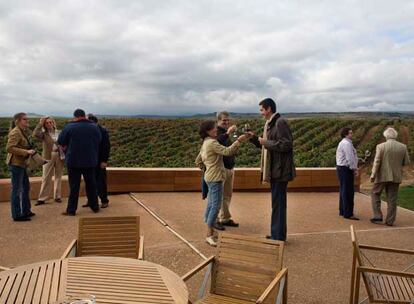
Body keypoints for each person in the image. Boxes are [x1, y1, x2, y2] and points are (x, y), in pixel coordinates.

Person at [195, 120, 250, 246]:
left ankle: (210, 228)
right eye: (214, 128)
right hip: (216, 178)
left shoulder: (205, 143)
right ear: (208, 131)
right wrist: (239, 141)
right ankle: (209, 234)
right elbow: (228, 151)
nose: (216, 130)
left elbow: (198, 160)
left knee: (211, 203)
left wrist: (207, 168)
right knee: (216, 205)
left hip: (209, 177)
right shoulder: (213, 143)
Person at [249, 98, 296, 241]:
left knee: (279, 205)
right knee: (277, 204)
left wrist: (265, 142)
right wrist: (254, 139)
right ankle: (277, 234)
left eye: (262, 110)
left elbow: (286, 144)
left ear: (269, 109)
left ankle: (278, 236)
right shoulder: (270, 124)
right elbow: (268, 145)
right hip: (275, 169)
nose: (261, 113)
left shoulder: (280, 122)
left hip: (280, 170)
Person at [58, 109, 101, 215]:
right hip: (90, 161)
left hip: (73, 161)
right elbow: (99, 140)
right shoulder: (94, 127)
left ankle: (71, 210)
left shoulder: (69, 127)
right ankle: (95, 207)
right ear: (84, 116)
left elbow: (61, 141)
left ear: (75, 117)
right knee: (91, 185)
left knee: (74, 186)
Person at [370, 127, 410, 226]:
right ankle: (390, 221)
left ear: (386, 136)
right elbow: (406, 162)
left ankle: (377, 216)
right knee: (392, 199)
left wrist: (373, 174)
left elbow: (377, 161)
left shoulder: (381, 146)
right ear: (395, 136)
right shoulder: (403, 147)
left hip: (382, 176)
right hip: (396, 176)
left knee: (375, 193)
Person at [6, 113, 36, 221]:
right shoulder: (15, 132)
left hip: (21, 164)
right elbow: (9, 148)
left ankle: (26, 211)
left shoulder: (22, 131)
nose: (27, 121)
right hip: (16, 164)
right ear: (18, 120)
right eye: (24, 119)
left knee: (25, 187)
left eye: (27, 119)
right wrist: (26, 151)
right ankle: (17, 215)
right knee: (17, 190)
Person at [33, 116, 64, 205]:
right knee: (46, 177)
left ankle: (57, 196)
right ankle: (42, 198)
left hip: (59, 155)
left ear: (53, 123)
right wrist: (40, 123)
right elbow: (34, 134)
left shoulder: (60, 132)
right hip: (47, 156)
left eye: (51, 122)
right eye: (47, 123)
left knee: (58, 176)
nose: (49, 124)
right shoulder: (43, 134)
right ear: (44, 125)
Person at [216, 111, 239, 227]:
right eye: (224, 120)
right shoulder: (215, 132)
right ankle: (214, 221)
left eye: (227, 120)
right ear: (218, 121)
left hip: (229, 168)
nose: (226, 122)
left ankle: (224, 218)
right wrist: (228, 133)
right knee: (218, 196)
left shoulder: (225, 132)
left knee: (227, 195)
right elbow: (216, 143)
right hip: (221, 169)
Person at [84, 114, 110, 208]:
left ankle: (104, 200)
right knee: (89, 181)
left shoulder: (103, 131)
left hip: (99, 160)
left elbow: (106, 147)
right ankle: (90, 200)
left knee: (101, 181)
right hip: (89, 160)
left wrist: (104, 160)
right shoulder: (87, 130)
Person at [336, 127, 359, 220]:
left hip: (342, 169)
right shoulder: (346, 144)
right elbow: (350, 158)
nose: (352, 134)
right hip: (346, 169)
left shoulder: (344, 143)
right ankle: (348, 213)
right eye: (350, 133)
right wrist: (355, 169)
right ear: (346, 134)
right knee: (348, 191)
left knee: (344, 190)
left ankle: (343, 211)